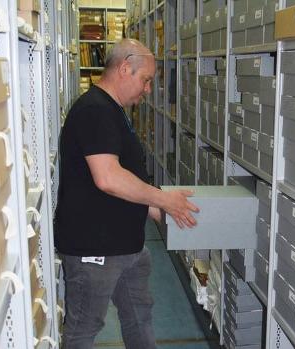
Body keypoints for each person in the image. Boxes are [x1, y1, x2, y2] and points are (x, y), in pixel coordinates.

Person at [54, 38, 199, 349]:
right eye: (145, 80)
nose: (147, 90)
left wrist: (163, 212)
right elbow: (108, 178)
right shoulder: (94, 111)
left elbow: (127, 174)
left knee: (139, 318)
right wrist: (163, 199)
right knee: (83, 328)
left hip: (126, 247)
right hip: (95, 249)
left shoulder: (112, 110)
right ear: (123, 69)